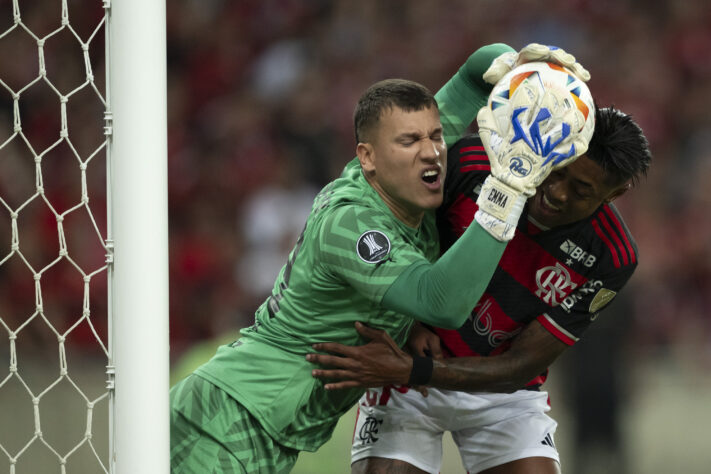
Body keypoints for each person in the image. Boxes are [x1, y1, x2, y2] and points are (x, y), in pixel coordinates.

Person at [169, 43, 589, 473]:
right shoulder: (351, 223)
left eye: (436, 137)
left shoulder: (407, 169)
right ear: (367, 157)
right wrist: (507, 194)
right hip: (225, 420)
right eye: (410, 141)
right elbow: (442, 302)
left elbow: (470, 78)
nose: (431, 151)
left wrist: (516, 63)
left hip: (261, 427)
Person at [307, 105, 652, 474]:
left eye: (581, 190)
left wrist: (417, 369)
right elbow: (390, 242)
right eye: (557, 169)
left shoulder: (610, 257)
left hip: (500, 395)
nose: (555, 191)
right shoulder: (473, 161)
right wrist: (409, 324)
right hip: (405, 372)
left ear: (615, 193)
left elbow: (520, 366)